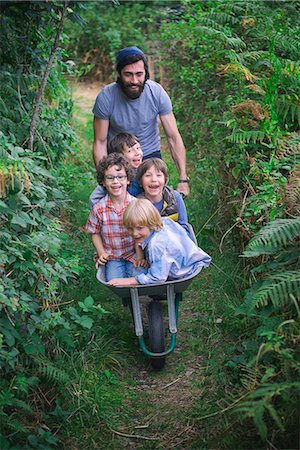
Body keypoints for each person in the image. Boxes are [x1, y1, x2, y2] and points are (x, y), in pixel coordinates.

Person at [92, 46, 190, 197]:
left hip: (150, 155)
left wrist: (183, 179)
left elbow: (173, 137)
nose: (134, 81)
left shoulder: (156, 93)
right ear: (118, 74)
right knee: (122, 208)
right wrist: (107, 178)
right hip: (119, 157)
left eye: (139, 74)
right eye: (128, 75)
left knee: (155, 207)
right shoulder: (106, 97)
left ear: (146, 73)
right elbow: (100, 141)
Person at [107, 199, 211, 286]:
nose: (134, 233)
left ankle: (152, 295)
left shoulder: (156, 246)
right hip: (187, 259)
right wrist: (141, 257)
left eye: (139, 228)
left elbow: (158, 278)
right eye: (130, 228)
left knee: (139, 272)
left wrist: (130, 281)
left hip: (182, 271)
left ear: (151, 224)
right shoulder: (163, 221)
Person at [84, 153, 146, 282]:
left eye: (120, 177)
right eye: (110, 178)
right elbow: (94, 232)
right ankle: (128, 300)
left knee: (140, 275)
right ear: (103, 182)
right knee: (114, 281)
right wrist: (101, 253)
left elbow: (140, 234)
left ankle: (141, 299)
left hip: (133, 252)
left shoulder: (135, 205)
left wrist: (140, 256)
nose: (116, 182)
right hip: (112, 256)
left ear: (128, 179)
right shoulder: (99, 208)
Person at [137, 157, 190, 235]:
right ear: (140, 182)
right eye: (148, 175)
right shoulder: (137, 204)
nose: (153, 179)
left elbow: (184, 227)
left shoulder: (175, 197)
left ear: (166, 180)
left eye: (158, 175)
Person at [89, 132, 142, 208]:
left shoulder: (143, 172)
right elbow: (93, 198)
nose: (137, 153)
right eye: (130, 151)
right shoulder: (113, 175)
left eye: (138, 148)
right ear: (119, 156)